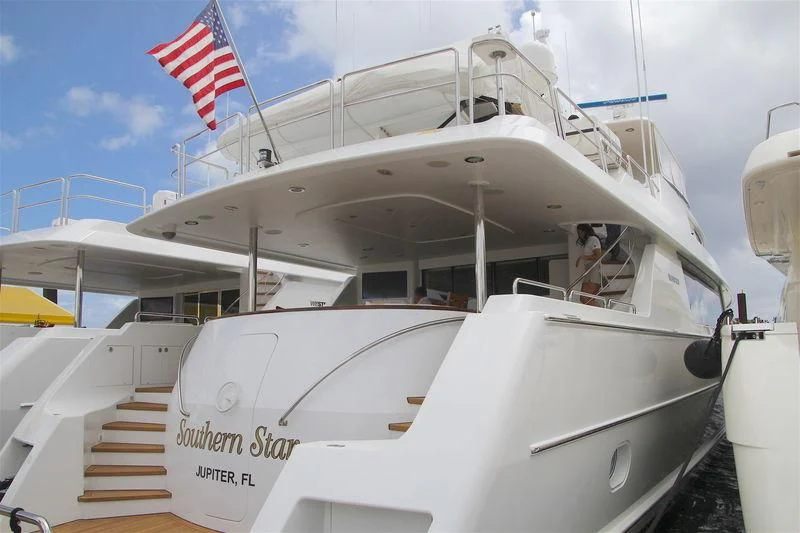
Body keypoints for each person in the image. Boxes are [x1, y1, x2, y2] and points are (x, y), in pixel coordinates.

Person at [575, 223, 603, 305]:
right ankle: (598, 314)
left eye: (580, 233)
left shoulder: (593, 239)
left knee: (586, 298)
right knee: (584, 298)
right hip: (589, 269)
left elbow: (598, 256)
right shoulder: (588, 241)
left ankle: (600, 314)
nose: (579, 235)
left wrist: (582, 257)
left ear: (585, 231)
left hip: (593, 269)